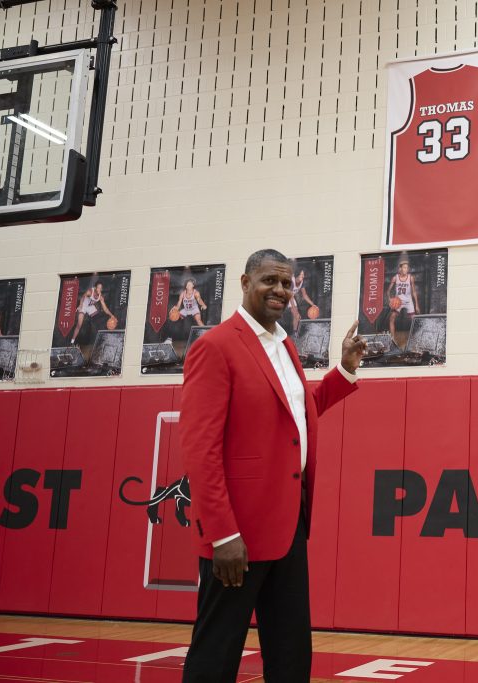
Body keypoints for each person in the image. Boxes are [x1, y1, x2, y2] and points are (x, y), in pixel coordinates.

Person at [180, 249, 367, 681]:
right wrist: (223, 533)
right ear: (245, 283)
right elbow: (200, 448)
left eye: (286, 283)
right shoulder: (215, 347)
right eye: (269, 281)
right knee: (217, 652)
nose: (280, 290)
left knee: (291, 653)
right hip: (236, 536)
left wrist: (345, 371)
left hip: (288, 528)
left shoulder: (284, 345)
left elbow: (299, 413)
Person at [70, 281, 113, 345]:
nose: (99, 289)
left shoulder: (100, 297)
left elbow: (105, 309)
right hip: (84, 305)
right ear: (95, 288)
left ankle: (100, 338)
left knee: (98, 320)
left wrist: (111, 315)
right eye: (98, 288)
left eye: (101, 288)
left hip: (90, 307)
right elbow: (82, 298)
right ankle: (72, 341)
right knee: (79, 324)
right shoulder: (90, 291)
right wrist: (80, 305)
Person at [387, 260, 419, 339]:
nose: (406, 269)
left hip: (408, 301)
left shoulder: (410, 278)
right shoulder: (395, 278)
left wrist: (417, 305)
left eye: (407, 268)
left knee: (414, 320)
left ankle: (415, 339)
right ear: (400, 268)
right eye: (404, 268)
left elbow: (414, 292)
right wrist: (389, 299)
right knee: (392, 318)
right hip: (399, 301)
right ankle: (393, 340)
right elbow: (388, 291)